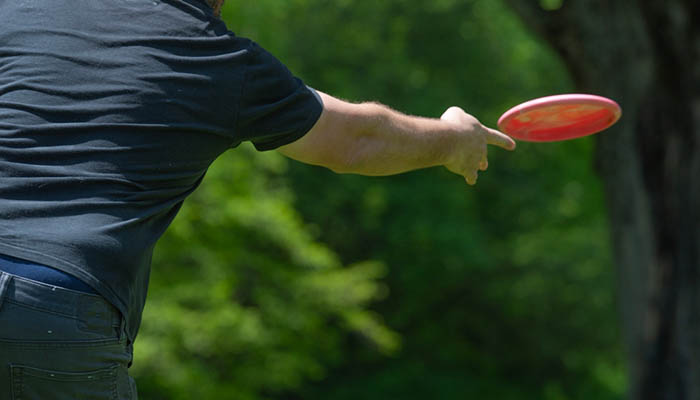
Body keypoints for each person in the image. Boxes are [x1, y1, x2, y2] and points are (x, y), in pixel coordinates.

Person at [0, 0, 515, 398]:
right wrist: (452, 139)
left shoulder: (20, 11)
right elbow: (358, 141)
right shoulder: (220, 61)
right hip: (55, 312)